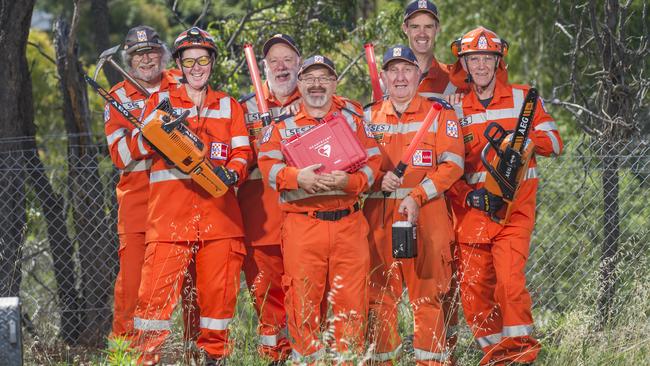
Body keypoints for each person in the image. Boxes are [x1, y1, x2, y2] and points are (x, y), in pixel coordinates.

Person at [129, 27, 252, 365]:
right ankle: (143, 360)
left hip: (221, 221)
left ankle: (213, 358)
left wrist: (233, 172)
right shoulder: (160, 102)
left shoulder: (229, 105)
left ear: (212, 62)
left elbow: (243, 152)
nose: (196, 67)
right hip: (169, 221)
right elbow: (134, 151)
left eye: (203, 59)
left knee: (218, 303)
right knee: (152, 303)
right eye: (189, 61)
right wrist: (154, 135)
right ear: (179, 65)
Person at [447, 26, 563, 365]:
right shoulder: (454, 109)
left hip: (514, 214)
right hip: (473, 213)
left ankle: (522, 356)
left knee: (510, 286)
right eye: (474, 59)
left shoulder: (523, 99)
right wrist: (469, 197)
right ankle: (497, 356)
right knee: (473, 294)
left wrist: (522, 144)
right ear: (464, 65)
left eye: (487, 58)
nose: (481, 65)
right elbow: (447, 166)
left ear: (498, 61)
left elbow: (555, 142)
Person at [258, 55, 381, 363]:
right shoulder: (282, 126)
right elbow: (268, 168)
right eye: (309, 78)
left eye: (324, 78)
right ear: (299, 84)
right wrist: (299, 177)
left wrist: (351, 182)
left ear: (334, 83)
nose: (316, 84)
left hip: (348, 226)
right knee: (303, 306)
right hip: (303, 226)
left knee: (351, 306)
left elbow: (375, 163)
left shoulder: (351, 119)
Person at [363, 45, 464, 365]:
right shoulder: (367, 116)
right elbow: (355, 165)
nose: (400, 76)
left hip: (427, 215)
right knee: (378, 300)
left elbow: (453, 165)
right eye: (393, 70)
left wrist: (418, 194)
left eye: (407, 69)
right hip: (379, 217)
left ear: (419, 75)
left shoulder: (440, 113)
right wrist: (378, 179)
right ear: (384, 77)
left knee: (429, 298)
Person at [103, 25, 198, 344]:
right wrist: (152, 134)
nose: (146, 60)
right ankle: (126, 355)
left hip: (184, 203)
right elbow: (120, 155)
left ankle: (197, 356)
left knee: (193, 290)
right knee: (131, 289)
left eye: (152, 52)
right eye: (138, 55)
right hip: (138, 208)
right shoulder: (116, 98)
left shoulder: (184, 85)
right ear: (128, 61)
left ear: (163, 54)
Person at [236, 34, 302, 363]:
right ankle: (273, 357)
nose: (281, 66)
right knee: (266, 298)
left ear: (300, 64)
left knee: (305, 296)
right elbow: (235, 160)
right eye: (273, 61)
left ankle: (304, 355)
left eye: (288, 59)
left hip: (304, 219)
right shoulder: (246, 108)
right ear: (262, 67)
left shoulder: (314, 101)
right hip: (260, 221)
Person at [402, 0, 458, 99]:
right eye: (415, 27)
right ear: (405, 29)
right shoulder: (390, 79)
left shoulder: (454, 79)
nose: (422, 33)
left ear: (437, 29)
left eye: (428, 27)